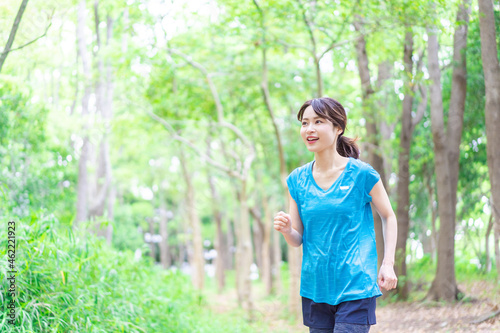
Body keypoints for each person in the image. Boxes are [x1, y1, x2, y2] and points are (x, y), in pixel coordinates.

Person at [274, 97, 398, 333]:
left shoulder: (362, 174)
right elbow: (297, 239)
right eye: (304, 123)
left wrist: (388, 264)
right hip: (315, 288)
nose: (309, 129)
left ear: (338, 128)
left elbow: (389, 216)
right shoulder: (297, 180)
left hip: (356, 285)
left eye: (318, 122)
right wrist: (287, 229)